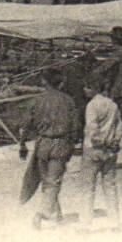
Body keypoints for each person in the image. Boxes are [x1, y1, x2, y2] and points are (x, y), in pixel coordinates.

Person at [18, 67, 81, 229]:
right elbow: (76, 126)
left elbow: (25, 126)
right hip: (60, 144)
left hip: (42, 145)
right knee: (54, 181)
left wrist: (22, 144)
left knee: (48, 180)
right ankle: (41, 214)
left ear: (44, 82)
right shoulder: (68, 101)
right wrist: (72, 144)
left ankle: (57, 214)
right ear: (60, 83)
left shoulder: (36, 101)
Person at [83, 81, 122, 227]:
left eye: (87, 86)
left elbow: (92, 128)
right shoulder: (113, 105)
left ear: (93, 88)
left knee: (88, 187)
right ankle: (115, 222)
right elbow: (119, 124)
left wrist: (99, 141)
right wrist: (115, 140)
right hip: (110, 151)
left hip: (94, 150)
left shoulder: (91, 106)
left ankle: (85, 225)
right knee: (110, 186)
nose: (84, 89)